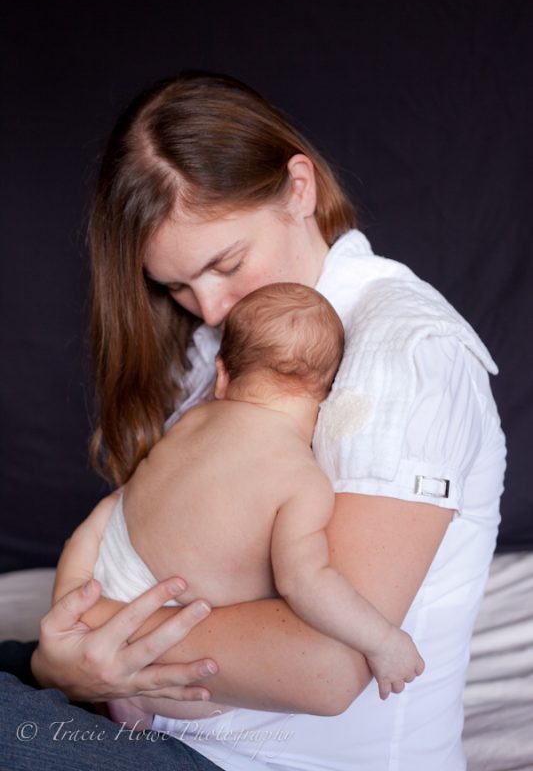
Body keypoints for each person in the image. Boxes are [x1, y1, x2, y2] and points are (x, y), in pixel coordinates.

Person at [0, 70, 506, 771]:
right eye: (174, 285)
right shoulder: (224, 342)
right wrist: (69, 662)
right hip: (158, 720)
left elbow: (325, 670)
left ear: (298, 189)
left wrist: (88, 647)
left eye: (226, 263)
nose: (208, 309)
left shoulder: (403, 356)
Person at [54, 281, 424, 730]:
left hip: (95, 571)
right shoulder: (302, 480)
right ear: (326, 395)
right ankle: (131, 701)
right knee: (212, 698)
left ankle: (101, 675)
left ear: (223, 375)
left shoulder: (194, 419)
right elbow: (306, 583)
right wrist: (383, 640)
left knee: (115, 506)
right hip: (150, 635)